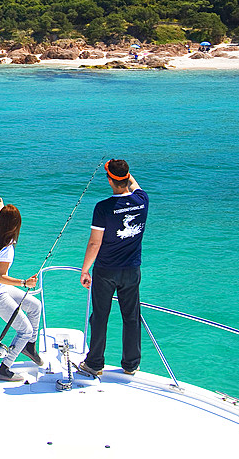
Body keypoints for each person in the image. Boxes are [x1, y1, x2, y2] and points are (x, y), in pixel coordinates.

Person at [78, 160, 148, 377]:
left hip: (106, 271)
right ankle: (131, 364)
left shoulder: (103, 208)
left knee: (100, 316)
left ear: (109, 181)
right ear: (127, 177)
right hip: (132, 270)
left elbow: (94, 243)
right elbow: (133, 183)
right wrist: (121, 170)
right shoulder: (142, 200)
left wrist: (85, 270)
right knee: (131, 317)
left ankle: (95, 363)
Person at [0, 198, 44, 382]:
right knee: (25, 330)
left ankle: (29, 347)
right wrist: (24, 283)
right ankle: (5, 368)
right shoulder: (6, 248)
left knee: (35, 306)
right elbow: (1, 276)